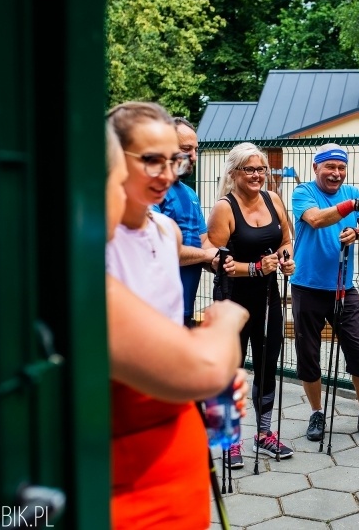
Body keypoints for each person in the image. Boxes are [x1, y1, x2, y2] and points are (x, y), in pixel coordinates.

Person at [105, 103, 250, 529]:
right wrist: (221, 329)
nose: (167, 173)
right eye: (151, 159)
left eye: (176, 159)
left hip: (179, 431)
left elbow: (169, 327)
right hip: (117, 441)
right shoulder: (93, 241)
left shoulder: (165, 230)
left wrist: (210, 379)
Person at [290, 143, 359, 444]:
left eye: (341, 168)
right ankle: (317, 412)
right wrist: (354, 207)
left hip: (343, 289)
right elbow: (317, 219)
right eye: (330, 167)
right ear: (316, 168)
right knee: (308, 354)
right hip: (307, 286)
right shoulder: (303, 192)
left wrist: (357, 233)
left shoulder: (352, 193)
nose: (336, 173)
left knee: (358, 351)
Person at [207, 142, 297, 469]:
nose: (258, 175)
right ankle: (229, 440)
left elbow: (286, 240)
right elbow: (215, 260)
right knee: (229, 370)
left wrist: (286, 259)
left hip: (269, 299)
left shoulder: (273, 200)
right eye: (250, 169)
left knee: (266, 363)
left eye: (261, 169)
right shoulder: (224, 208)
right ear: (234, 173)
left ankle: (263, 432)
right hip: (232, 299)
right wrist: (257, 268)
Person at [152, 116, 216, 327]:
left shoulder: (190, 193)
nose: (194, 157)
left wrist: (219, 258)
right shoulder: (151, 189)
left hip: (184, 309)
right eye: (187, 149)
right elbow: (160, 248)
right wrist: (207, 255)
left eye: (196, 149)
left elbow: (203, 241)